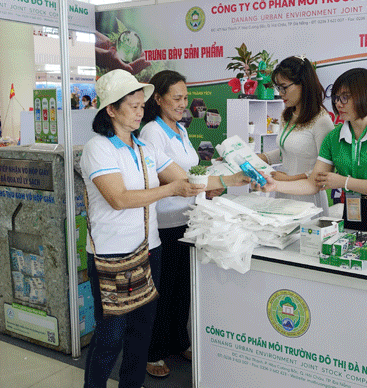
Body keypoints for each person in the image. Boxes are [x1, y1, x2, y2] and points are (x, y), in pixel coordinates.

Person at [81, 69, 247, 388]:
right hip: (112, 254)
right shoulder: (98, 148)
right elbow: (119, 198)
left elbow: (185, 180)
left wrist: (233, 179)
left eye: (141, 105)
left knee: (141, 332)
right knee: (111, 336)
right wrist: (170, 191)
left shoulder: (144, 149)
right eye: (131, 105)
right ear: (110, 109)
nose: (139, 111)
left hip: (149, 248)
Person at [258, 68, 367, 234]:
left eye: (345, 97)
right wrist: (275, 186)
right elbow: (312, 184)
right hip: (353, 213)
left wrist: (343, 182)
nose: (338, 103)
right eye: (336, 98)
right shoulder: (334, 137)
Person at [139, 70, 200, 378]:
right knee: (162, 291)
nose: (182, 103)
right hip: (164, 223)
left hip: (187, 219)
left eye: (185, 97)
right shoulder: (153, 132)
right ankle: (154, 352)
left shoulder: (180, 129)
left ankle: (178, 341)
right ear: (159, 99)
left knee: (182, 288)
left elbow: (189, 172)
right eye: (176, 98)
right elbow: (171, 176)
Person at [256, 56, 334, 214]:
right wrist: (261, 157)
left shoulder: (321, 121)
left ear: (303, 84)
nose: (280, 93)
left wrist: (288, 179)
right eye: (278, 88)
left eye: (284, 87)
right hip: (282, 192)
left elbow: (326, 168)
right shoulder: (287, 114)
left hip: (307, 198)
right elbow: (288, 149)